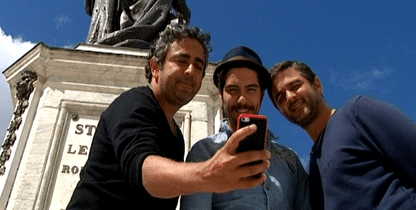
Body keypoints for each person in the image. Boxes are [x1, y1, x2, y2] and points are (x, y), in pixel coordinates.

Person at [66, 25, 271, 210]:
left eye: (199, 66)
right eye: (182, 60)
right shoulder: (133, 103)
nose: (191, 70)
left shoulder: (177, 136)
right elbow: (144, 171)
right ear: (155, 66)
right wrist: (209, 173)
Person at [268, 60, 416, 210]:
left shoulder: (357, 113)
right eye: (280, 97)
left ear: (317, 85)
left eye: (295, 86)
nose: (290, 97)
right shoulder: (309, 174)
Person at [180, 47, 310, 210]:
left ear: (261, 96)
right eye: (233, 90)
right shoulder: (205, 152)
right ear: (221, 95)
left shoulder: (290, 161)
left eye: (251, 89)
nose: (242, 99)